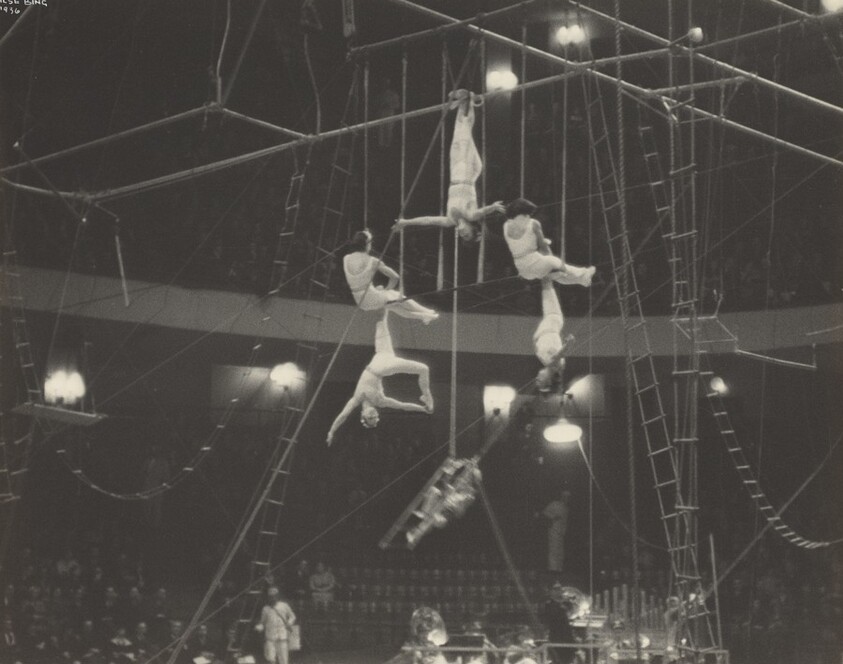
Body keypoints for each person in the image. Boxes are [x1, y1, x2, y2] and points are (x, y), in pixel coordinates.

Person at [394, 89, 505, 242]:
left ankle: (465, 102)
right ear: (473, 227)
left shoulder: (449, 221)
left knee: (461, 132)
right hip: (467, 172)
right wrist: (492, 208)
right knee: (464, 133)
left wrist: (406, 222)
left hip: (459, 172)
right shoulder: (470, 214)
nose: (461, 233)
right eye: (466, 234)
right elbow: (480, 213)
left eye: (461, 236)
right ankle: (468, 100)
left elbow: (428, 220)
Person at [326, 310, 434, 444]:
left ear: (363, 416)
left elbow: (343, 416)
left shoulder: (356, 399)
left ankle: (384, 298)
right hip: (384, 367)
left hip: (381, 354)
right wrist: (422, 409)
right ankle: (427, 399)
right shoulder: (380, 401)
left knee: (381, 319)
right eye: (374, 418)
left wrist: (331, 431)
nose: (372, 415)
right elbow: (403, 406)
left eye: (369, 418)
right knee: (424, 369)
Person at [343, 229, 439, 323]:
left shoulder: (346, 258)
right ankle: (426, 311)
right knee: (396, 295)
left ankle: (424, 316)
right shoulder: (373, 261)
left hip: (360, 301)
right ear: (368, 244)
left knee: (394, 306)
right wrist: (386, 290)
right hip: (370, 297)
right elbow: (395, 277)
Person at [503, 198, 595, 286]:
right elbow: (543, 248)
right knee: (554, 263)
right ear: (522, 213)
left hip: (521, 268)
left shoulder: (506, 225)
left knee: (555, 274)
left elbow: (519, 244)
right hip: (532, 263)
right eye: (527, 214)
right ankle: (583, 273)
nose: (528, 217)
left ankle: (581, 280)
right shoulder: (533, 223)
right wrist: (550, 257)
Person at [534, 278, 575, 393]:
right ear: (547, 380)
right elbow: (558, 356)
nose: (537, 378)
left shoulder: (546, 362)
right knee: (547, 285)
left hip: (548, 322)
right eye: (539, 381)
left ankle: (546, 269)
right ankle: (548, 267)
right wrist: (568, 344)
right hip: (553, 319)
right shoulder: (555, 366)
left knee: (545, 285)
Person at [256, 586, 297, 664]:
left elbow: (292, 616)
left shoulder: (284, 605)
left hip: (282, 637)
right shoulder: (265, 609)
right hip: (270, 638)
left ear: (277, 596)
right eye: (270, 597)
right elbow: (262, 622)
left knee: (283, 660)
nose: (272, 598)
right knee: (271, 659)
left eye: (274, 596)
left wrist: (289, 623)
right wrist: (259, 627)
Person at [540, 583, 576, 664]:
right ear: (550, 591)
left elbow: (572, 612)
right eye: (556, 589)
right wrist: (560, 604)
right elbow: (553, 616)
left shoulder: (565, 603)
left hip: (568, 637)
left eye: (560, 589)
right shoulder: (548, 604)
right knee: (558, 660)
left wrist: (568, 603)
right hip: (556, 637)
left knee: (569, 660)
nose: (559, 591)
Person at [541, 491, 571, 573]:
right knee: (553, 550)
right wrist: (553, 518)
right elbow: (544, 514)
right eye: (565, 497)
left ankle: (559, 569)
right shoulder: (554, 504)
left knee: (560, 552)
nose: (567, 499)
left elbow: (565, 522)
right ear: (562, 497)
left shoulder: (566, 508)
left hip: (561, 533)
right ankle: (553, 570)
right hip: (553, 530)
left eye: (568, 497)